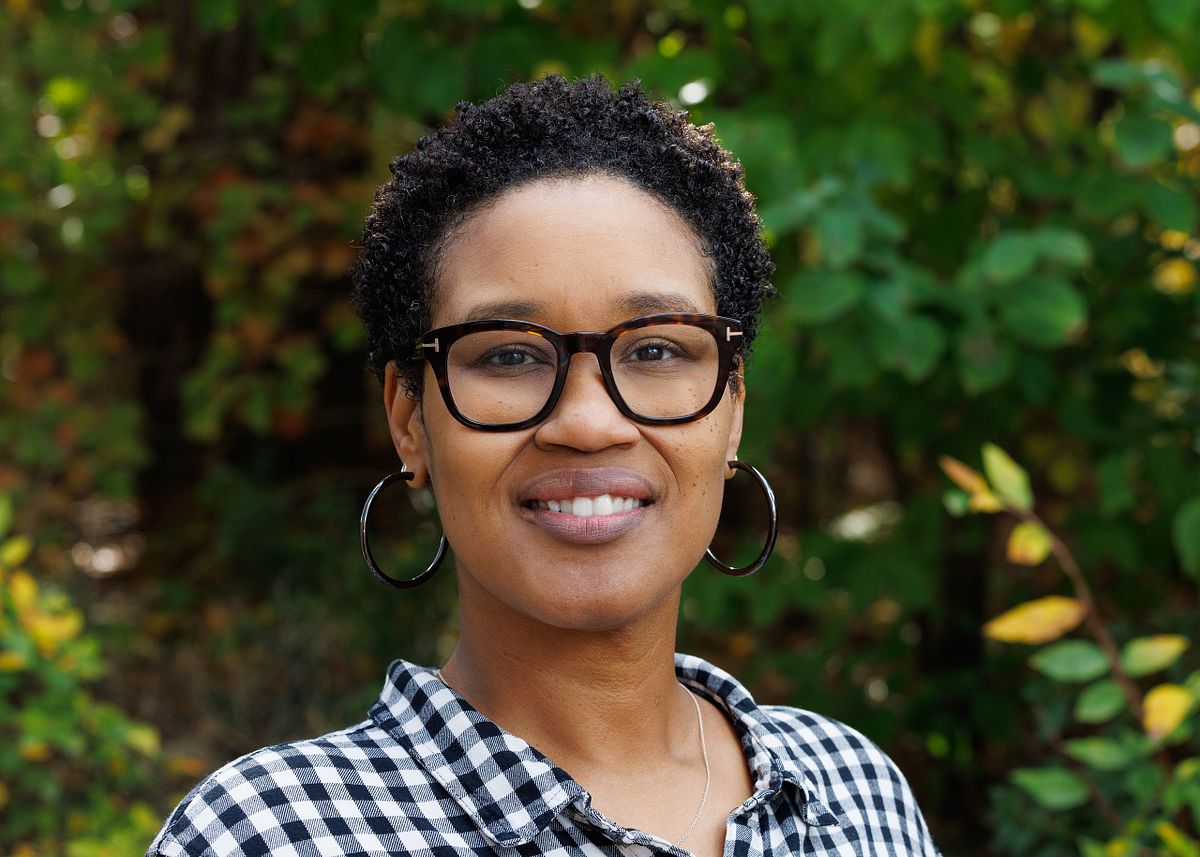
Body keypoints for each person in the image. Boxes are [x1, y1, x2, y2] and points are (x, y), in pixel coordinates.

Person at [145, 73, 941, 857]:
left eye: (657, 348)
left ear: (732, 407)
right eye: (510, 355)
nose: (589, 422)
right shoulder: (267, 834)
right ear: (409, 421)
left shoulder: (853, 792)